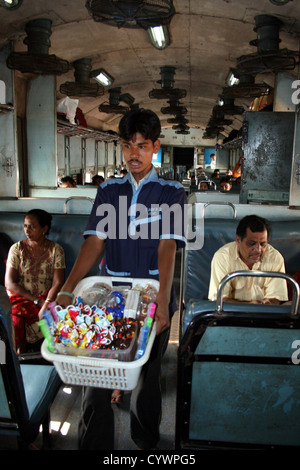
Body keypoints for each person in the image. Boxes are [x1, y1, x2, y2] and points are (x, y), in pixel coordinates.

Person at [55, 108, 187, 450]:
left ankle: (144, 439)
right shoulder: (110, 191)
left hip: (152, 296)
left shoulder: (172, 192)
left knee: (147, 375)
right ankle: (95, 445)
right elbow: (95, 241)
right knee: (95, 376)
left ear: (155, 147)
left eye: (142, 146)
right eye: (128, 145)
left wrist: (162, 299)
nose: (134, 154)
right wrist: (68, 288)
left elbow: (167, 244)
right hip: (108, 297)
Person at [5, 209, 65, 352]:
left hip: (47, 297)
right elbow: (10, 283)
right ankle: (14, 357)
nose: (27, 230)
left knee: (56, 316)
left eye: (32, 226)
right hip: (22, 299)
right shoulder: (17, 249)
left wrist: (47, 302)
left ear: (44, 229)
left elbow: (58, 282)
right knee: (15, 321)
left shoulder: (55, 250)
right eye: (25, 226)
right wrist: (36, 301)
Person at [208, 215, 288, 304]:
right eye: (251, 244)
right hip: (231, 314)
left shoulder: (275, 258)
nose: (258, 250)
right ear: (238, 240)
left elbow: (276, 298)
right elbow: (219, 301)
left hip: (264, 314)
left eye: (263, 244)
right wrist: (250, 306)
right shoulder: (222, 257)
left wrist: (269, 303)